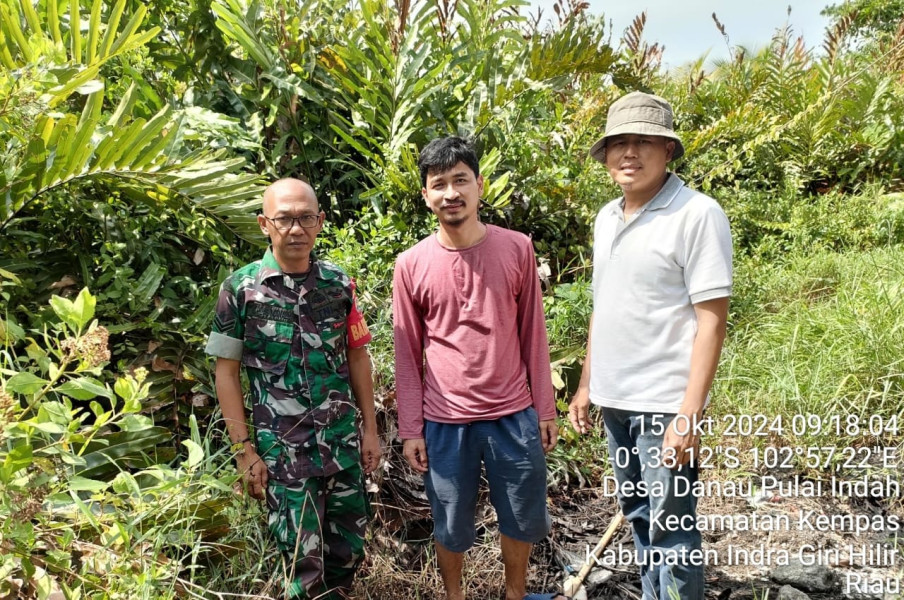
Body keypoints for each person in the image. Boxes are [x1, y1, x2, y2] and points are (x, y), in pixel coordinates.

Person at [568, 91, 732, 600]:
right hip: (616, 402)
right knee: (640, 518)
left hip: (664, 405)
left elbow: (712, 322)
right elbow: (605, 304)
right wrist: (587, 385)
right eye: (619, 143)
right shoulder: (605, 218)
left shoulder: (698, 214)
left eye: (643, 142)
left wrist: (689, 414)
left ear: (667, 149)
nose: (629, 153)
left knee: (673, 530)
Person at [393, 136, 565, 600]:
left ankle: (514, 594)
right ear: (426, 196)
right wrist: (411, 428)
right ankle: (455, 596)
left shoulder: (516, 248)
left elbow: (533, 333)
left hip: (514, 413)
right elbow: (407, 354)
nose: (451, 192)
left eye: (460, 180)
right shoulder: (410, 265)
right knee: (450, 521)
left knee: (522, 515)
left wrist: (545, 410)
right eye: (439, 184)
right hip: (445, 421)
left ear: (479, 186)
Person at [205, 178, 381, 600]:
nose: (296, 229)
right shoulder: (240, 290)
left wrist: (370, 431)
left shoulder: (339, 284)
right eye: (285, 219)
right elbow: (225, 374)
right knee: (300, 567)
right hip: (282, 455)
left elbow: (357, 357)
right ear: (265, 224)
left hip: (340, 447)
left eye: (306, 218)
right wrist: (243, 451)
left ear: (320, 222)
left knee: (347, 553)